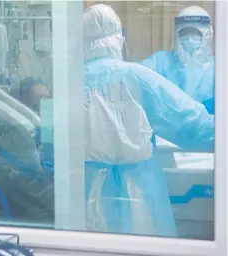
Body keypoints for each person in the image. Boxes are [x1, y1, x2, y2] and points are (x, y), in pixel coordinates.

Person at [83, 4, 214, 237]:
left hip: (83, 193)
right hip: (136, 193)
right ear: (118, 40)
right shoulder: (134, 76)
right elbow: (191, 122)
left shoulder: (68, 81)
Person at [140, 6, 215, 114]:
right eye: (184, 33)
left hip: (208, 130)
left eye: (195, 34)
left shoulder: (219, 67)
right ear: (176, 35)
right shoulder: (161, 61)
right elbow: (134, 75)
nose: (189, 39)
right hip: (168, 130)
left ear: (207, 35)